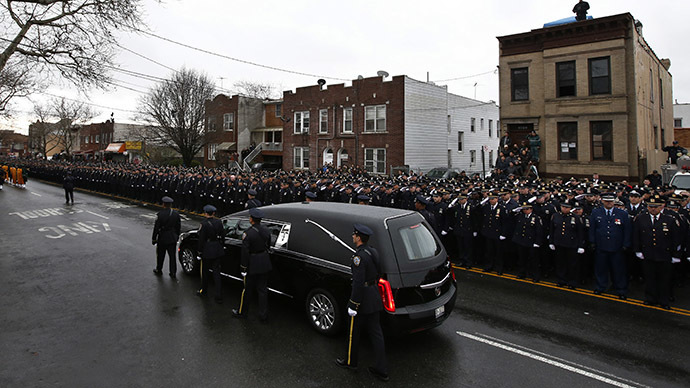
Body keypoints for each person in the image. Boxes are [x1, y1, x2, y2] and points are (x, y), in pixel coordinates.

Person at [335, 223, 389, 382]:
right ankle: (382, 368)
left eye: (354, 234)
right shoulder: (373, 251)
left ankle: (350, 361)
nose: (352, 236)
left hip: (362, 299)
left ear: (359, 238)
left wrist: (353, 304)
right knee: (376, 334)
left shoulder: (358, 257)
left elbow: (358, 283)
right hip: (374, 296)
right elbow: (379, 272)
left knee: (353, 332)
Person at [632, 195, 680, 309]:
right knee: (650, 278)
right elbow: (636, 235)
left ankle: (664, 300)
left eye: (656, 207)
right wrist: (637, 250)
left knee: (664, 279)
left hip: (664, 254)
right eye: (650, 206)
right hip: (648, 253)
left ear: (661, 207)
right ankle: (650, 298)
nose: (653, 209)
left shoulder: (670, 219)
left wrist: (675, 255)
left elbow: (676, 239)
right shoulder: (641, 218)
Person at [589, 193, 632, 299]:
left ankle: (621, 289)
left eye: (611, 201)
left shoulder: (622, 213)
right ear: (602, 201)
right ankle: (600, 286)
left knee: (618, 269)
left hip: (617, 246)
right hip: (601, 245)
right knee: (600, 268)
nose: (609, 203)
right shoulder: (596, 212)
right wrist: (592, 241)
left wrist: (626, 243)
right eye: (607, 201)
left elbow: (627, 230)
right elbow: (592, 229)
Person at [233, 207, 272, 321]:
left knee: (247, 290)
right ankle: (263, 315)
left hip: (252, 262)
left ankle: (242, 312)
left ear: (252, 219)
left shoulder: (248, 233)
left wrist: (243, 267)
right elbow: (268, 245)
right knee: (263, 290)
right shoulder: (266, 230)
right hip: (264, 261)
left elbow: (245, 252)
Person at [197, 205, 226, 304]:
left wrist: (199, 251)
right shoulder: (219, 222)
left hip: (207, 249)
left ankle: (204, 290)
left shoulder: (204, 224)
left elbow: (201, 239)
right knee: (216, 273)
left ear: (205, 213)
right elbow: (223, 235)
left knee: (205, 272)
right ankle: (218, 295)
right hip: (217, 248)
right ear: (213, 213)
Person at [152, 196, 182, 278]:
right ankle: (173, 272)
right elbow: (178, 227)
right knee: (172, 256)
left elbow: (156, 228)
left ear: (163, 204)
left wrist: (154, 238)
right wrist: (176, 236)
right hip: (172, 237)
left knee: (160, 255)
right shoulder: (176, 214)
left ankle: (159, 269)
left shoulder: (160, 214)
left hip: (162, 237)